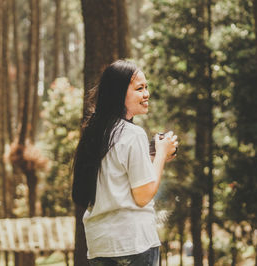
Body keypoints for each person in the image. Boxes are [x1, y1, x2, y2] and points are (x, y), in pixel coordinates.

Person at [72, 60, 178, 266]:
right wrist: (163, 155)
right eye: (139, 88)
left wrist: (154, 159)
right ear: (119, 93)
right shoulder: (133, 133)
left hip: (100, 244)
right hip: (133, 243)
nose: (146, 94)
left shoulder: (96, 132)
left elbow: (117, 179)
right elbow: (142, 195)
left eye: (147, 87)